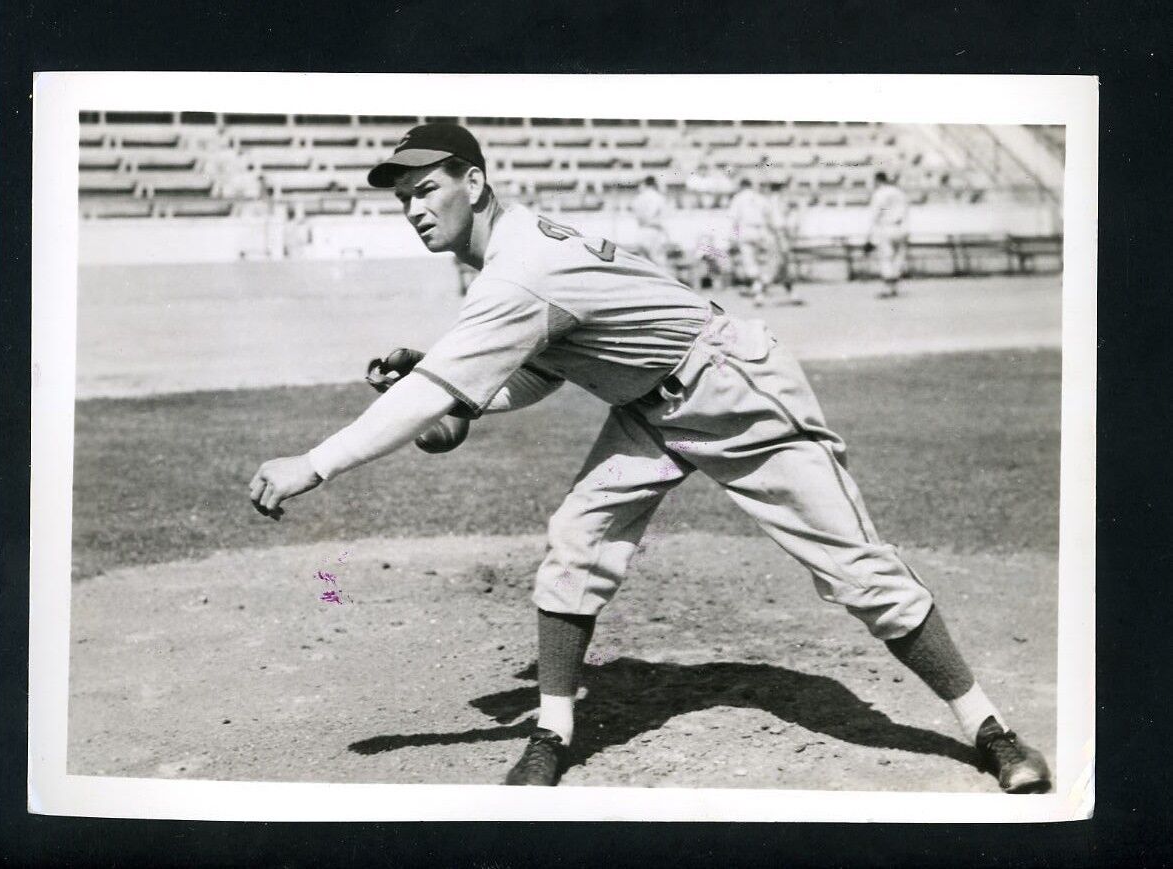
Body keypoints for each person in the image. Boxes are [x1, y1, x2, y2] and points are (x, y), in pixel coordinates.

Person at [248, 123, 1051, 793]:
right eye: (402, 198)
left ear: (476, 182)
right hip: (647, 406)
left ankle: (988, 727)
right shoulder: (507, 260)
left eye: (425, 189)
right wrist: (466, 406)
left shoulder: (519, 267)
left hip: (731, 385)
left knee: (852, 567)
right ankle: (553, 733)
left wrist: (313, 462)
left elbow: (435, 388)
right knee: (576, 540)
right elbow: (540, 366)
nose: (412, 209)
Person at [727, 177, 780, 307]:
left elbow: (734, 219)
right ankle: (760, 287)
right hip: (762, 230)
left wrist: (734, 236)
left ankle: (758, 288)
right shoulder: (761, 197)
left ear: (741, 186)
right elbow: (770, 218)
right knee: (764, 261)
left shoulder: (738, 198)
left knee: (749, 261)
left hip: (746, 230)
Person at [867, 171, 910, 299]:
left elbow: (875, 214)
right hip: (901, 227)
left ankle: (888, 289)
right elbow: (906, 210)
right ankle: (895, 288)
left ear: (878, 180)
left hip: (886, 227)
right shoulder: (899, 192)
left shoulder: (879, 193)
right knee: (898, 258)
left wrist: (870, 236)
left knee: (886, 258)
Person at [628, 175, 669, 266]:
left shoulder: (638, 198)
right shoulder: (658, 197)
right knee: (659, 262)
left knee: (644, 263)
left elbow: (637, 214)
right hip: (654, 231)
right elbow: (653, 214)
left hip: (642, 231)